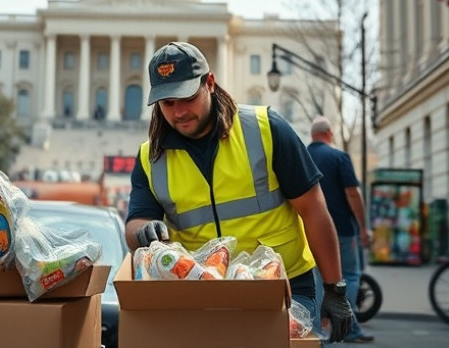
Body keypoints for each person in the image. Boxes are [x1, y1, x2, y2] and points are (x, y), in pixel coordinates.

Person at [125, 42, 354, 343]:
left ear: (210, 83)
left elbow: (313, 208)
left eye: (188, 98)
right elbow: (135, 225)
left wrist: (335, 289)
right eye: (167, 104)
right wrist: (144, 231)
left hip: (282, 288)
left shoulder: (266, 129)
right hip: (200, 294)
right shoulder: (150, 159)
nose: (179, 112)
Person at [308, 116, 374, 343]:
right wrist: (364, 227)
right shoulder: (338, 157)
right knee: (351, 276)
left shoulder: (302, 155)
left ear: (312, 135)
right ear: (329, 134)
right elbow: (353, 193)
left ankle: (319, 332)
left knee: (319, 281)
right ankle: (348, 328)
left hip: (311, 229)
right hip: (343, 230)